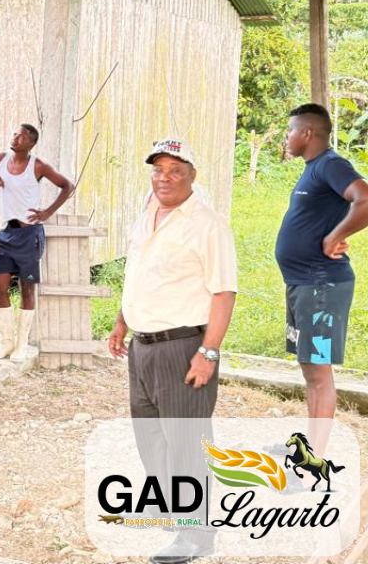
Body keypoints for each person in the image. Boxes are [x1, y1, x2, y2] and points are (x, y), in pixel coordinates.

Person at [107, 138, 237, 564]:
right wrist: (123, 321)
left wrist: (209, 352)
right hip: (143, 345)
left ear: (192, 176)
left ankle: (197, 536)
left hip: (183, 347)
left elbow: (223, 293)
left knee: (187, 443)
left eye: (175, 171)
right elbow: (138, 273)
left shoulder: (207, 225)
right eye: (158, 170)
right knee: (151, 435)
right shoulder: (147, 214)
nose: (165, 178)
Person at [274, 104, 368, 458]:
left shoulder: (330, 164)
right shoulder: (314, 168)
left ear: (307, 133)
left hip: (320, 284)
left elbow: (365, 198)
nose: (287, 138)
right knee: (311, 370)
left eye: (290, 131)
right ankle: (309, 450)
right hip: (305, 282)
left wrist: (335, 236)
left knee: (318, 375)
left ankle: (312, 460)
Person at [0, 124, 74, 361]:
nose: (15, 138)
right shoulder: (0, 159)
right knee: (0, 288)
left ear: (31, 143)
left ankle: (21, 345)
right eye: (15, 134)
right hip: (6, 234)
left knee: (27, 289)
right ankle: (6, 342)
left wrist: (48, 212)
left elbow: (68, 186)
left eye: (22, 137)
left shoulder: (38, 165)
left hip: (29, 235)